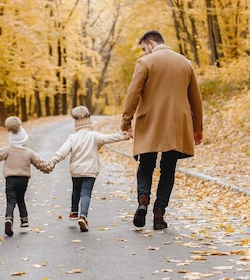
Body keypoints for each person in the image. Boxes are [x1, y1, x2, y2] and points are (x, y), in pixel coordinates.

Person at [121, 30, 203, 230]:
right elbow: (196, 99)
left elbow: (133, 93)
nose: (144, 53)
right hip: (177, 125)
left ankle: (143, 199)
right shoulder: (185, 63)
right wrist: (197, 128)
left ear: (151, 43)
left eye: (143, 49)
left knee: (146, 164)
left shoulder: (145, 63)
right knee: (168, 168)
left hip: (150, 122)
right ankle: (159, 213)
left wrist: (126, 120)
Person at [49, 106, 131, 232]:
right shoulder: (94, 135)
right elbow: (108, 138)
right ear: (89, 120)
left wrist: (53, 161)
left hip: (76, 171)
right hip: (90, 171)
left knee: (76, 190)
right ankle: (83, 216)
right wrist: (123, 135)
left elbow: (62, 152)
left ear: (76, 122)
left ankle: (73, 212)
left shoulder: (73, 137)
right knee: (86, 193)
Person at [0, 116, 53, 237]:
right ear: (24, 140)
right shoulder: (29, 152)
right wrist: (51, 164)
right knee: (21, 197)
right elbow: (41, 163)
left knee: (11, 200)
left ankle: (9, 218)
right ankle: (24, 219)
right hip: (23, 180)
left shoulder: (8, 150)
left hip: (10, 179)